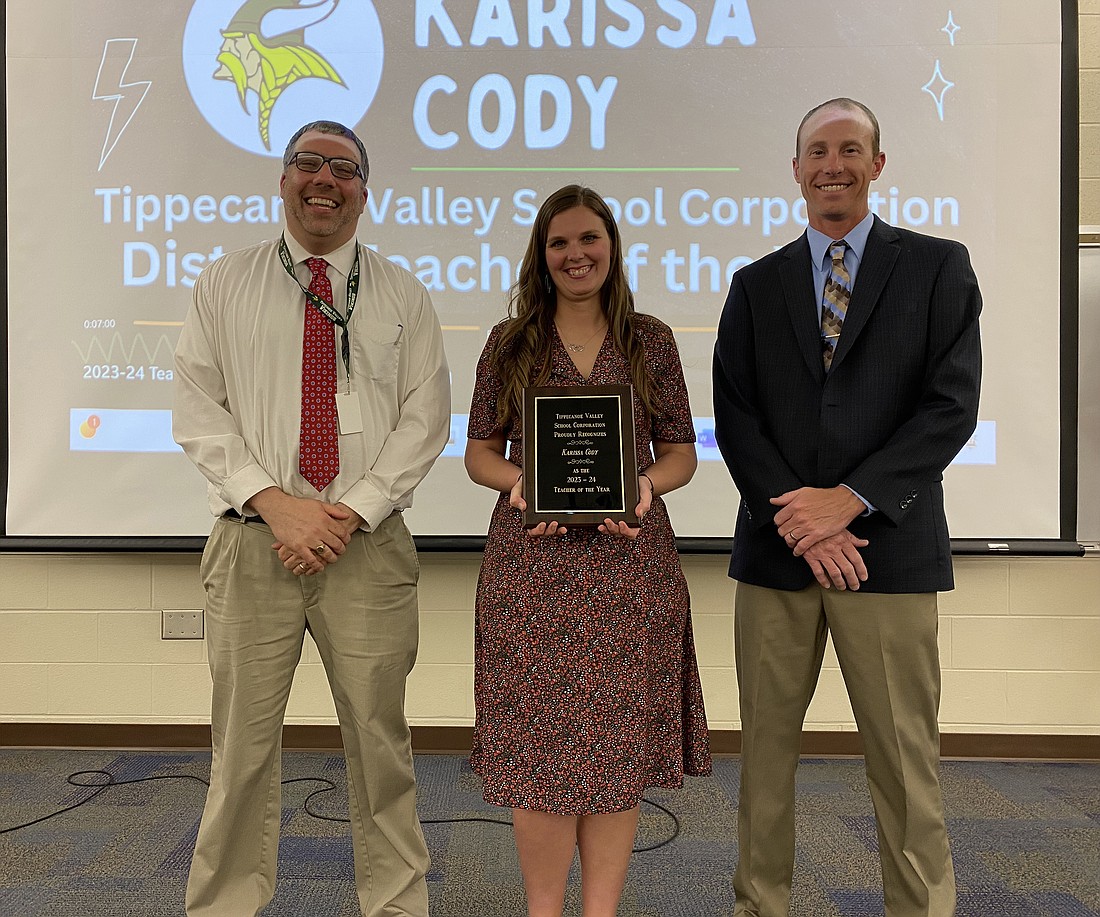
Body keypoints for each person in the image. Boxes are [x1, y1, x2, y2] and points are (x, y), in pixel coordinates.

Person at [173, 120, 450, 917]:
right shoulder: (223, 282)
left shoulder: (403, 293)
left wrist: (344, 514)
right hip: (253, 545)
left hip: (368, 549)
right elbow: (198, 411)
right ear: (282, 178)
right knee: (242, 754)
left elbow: (424, 420)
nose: (323, 179)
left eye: (344, 168)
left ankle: (397, 904)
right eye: (307, 164)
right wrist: (277, 504)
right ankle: (225, 902)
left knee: (381, 746)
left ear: (366, 189)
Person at [712, 98, 981, 917]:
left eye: (851, 149)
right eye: (818, 151)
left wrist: (849, 502)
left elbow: (949, 406)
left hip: (889, 555)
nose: (834, 163)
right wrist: (800, 518)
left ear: (877, 163)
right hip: (776, 555)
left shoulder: (938, 267)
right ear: (794, 170)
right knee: (764, 762)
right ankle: (763, 905)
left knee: (905, 763)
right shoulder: (754, 286)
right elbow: (737, 415)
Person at [464, 184, 712, 917]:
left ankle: (600, 911)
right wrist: (518, 484)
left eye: (588, 239)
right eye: (559, 243)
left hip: (627, 570)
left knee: (614, 746)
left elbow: (680, 455)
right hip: (531, 572)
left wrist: (642, 486)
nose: (576, 255)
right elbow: (480, 453)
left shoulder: (652, 339)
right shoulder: (509, 344)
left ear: (612, 246)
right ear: (541, 257)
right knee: (541, 755)